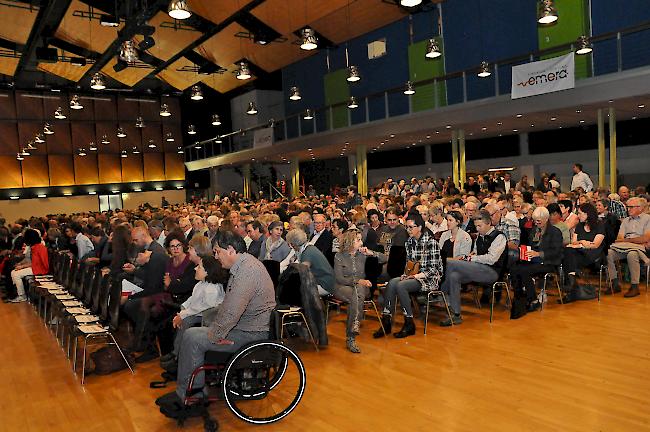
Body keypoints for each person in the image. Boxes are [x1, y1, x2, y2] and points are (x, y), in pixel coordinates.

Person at [156, 230, 275, 416]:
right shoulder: (243, 266)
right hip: (243, 327)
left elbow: (231, 311)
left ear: (230, 250)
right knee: (192, 334)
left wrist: (216, 334)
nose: (216, 256)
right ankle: (189, 392)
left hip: (249, 334)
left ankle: (192, 396)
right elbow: (229, 307)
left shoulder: (247, 272)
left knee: (193, 337)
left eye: (217, 251)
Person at [373, 212, 443, 338]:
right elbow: (409, 264)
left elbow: (433, 270)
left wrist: (414, 276)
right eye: (407, 227)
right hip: (414, 276)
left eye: (411, 227)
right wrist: (406, 274)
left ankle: (409, 323)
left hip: (429, 279)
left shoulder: (431, 243)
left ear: (420, 228)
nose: (408, 230)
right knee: (393, 282)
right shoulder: (409, 242)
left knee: (401, 286)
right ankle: (386, 320)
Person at [160, 255, 228, 371]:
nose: (195, 269)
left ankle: (178, 356)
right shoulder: (200, 284)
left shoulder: (212, 289)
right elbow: (191, 300)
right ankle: (175, 352)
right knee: (175, 318)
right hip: (199, 312)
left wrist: (182, 315)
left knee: (186, 321)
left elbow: (201, 309)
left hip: (208, 318)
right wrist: (182, 309)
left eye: (199, 267)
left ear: (208, 272)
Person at [439, 210, 507, 325]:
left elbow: (491, 259)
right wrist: (471, 256)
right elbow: (475, 253)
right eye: (476, 226)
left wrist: (471, 258)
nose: (477, 229)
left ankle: (439, 292)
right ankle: (456, 314)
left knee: (449, 262)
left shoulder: (499, 236)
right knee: (454, 276)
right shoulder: (480, 236)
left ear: (489, 223)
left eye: (480, 226)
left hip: (492, 272)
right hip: (477, 269)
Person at [334, 230, 387, 353]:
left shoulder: (362, 255)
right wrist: (358, 281)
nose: (361, 242)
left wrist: (371, 253)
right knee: (356, 293)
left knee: (356, 293)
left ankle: (351, 334)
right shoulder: (339, 256)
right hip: (342, 287)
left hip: (360, 289)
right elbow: (339, 278)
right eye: (358, 240)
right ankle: (352, 335)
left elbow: (385, 259)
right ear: (350, 242)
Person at [121, 227, 169, 355]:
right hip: (150, 288)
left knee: (131, 304)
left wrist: (132, 296)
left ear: (143, 236)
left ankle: (145, 344)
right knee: (127, 301)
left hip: (157, 292)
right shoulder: (150, 250)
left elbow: (153, 286)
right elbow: (147, 275)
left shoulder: (156, 253)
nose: (135, 243)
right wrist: (135, 270)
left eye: (136, 240)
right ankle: (139, 340)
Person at [510, 207, 564, 313]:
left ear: (546, 219)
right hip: (534, 260)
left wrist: (538, 254)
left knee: (524, 270)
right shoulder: (534, 230)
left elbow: (556, 252)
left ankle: (533, 299)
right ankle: (520, 297)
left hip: (548, 262)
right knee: (515, 267)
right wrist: (525, 252)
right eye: (535, 220)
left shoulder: (555, 232)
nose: (536, 223)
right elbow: (531, 245)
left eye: (538, 221)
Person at [606, 197, 650, 298]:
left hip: (640, 249)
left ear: (640, 208)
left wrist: (627, 240)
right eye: (628, 207)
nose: (628, 209)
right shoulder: (625, 221)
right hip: (627, 247)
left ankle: (635, 286)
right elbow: (619, 238)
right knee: (608, 253)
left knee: (632, 254)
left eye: (631, 207)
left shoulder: (648, 219)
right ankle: (614, 283)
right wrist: (633, 241)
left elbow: (646, 238)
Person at [561, 203, 605, 302]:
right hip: (579, 252)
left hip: (593, 254)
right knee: (568, 251)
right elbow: (574, 241)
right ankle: (572, 283)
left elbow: (595, 245)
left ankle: (571, 286)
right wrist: (582, 242)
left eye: (580, 213)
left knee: (567, 256)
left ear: (587, 214)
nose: (578, 215)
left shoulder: (599, 225)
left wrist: (584, 244)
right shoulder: (580, 225)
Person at [286, 228, 335, 296]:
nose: (291, 247)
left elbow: (303, 272)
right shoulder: (308, 247)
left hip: (324, 285)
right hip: (326, 282)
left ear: (294, 244)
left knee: (295, 288)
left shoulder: (307, 253)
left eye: (291, 245)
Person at [8, 229, 48, 303]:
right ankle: (19, 293)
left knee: (16, 274)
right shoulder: (35, 247)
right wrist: (21, 265)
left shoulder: (40, 248)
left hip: (40, 269)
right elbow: (33, 262)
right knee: (13, 272)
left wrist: (22, 266)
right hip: (35, 268)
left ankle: (22, 296)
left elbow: (39, 263)